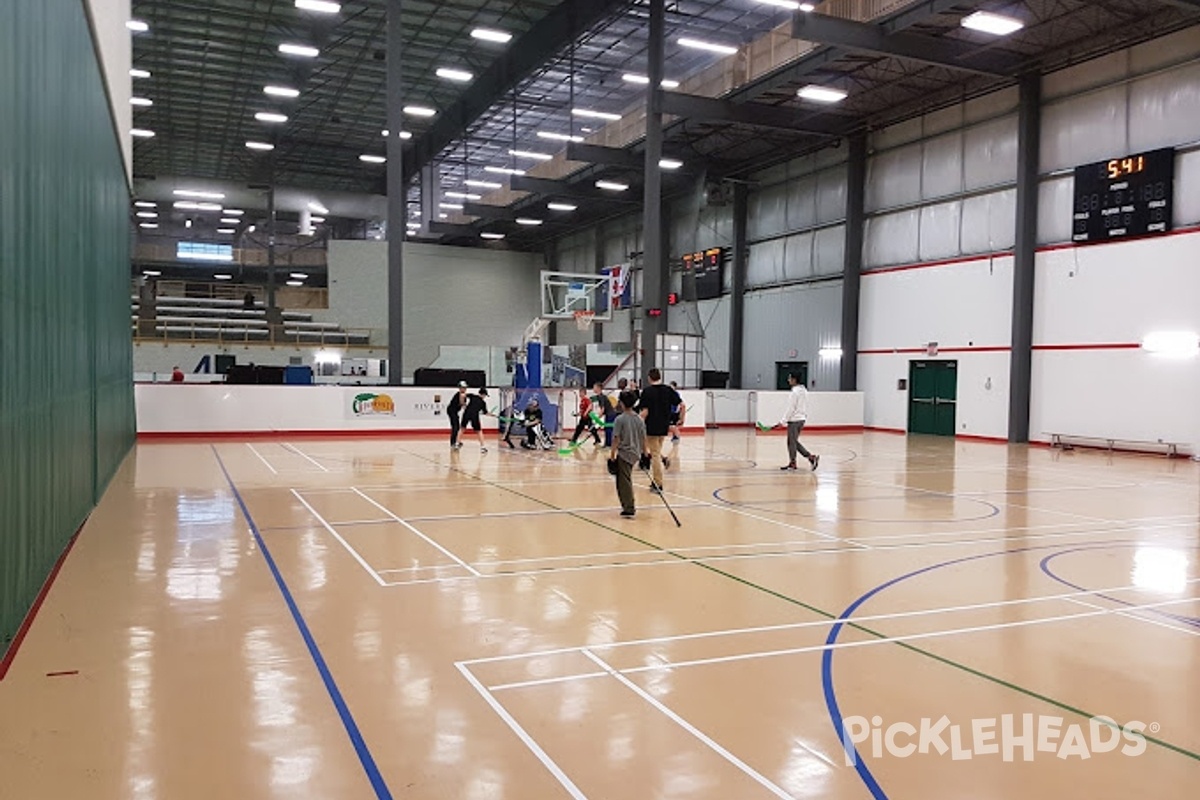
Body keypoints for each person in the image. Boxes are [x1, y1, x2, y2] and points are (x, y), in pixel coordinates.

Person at [636, 368, 684, 491]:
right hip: (664, 427)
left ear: (649, 378)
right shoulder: (668, 390)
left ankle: (658, 483)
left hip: (651, 427)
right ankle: (664, 461)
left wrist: (636, 422)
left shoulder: (647, 392)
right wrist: (681, 418)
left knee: (654, 454)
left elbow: (645, 412)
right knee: (655, 450)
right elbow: (682, 405)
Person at [609, 390, 649, 518]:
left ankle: (629, 507)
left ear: (622, 403)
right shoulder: (639, 419)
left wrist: (612, 454)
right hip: (636, 453)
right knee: (624, 479)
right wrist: (645, 454)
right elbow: (643, 438)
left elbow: (616, 438)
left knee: (623, 481)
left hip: (625, 453)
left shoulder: (619, 419)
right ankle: (627, 505)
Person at [779, 373, 819, 471]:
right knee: (793, 442)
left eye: (789, 378)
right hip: (801, 419)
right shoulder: (804, 391)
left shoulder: (794, 392)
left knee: (791, 442)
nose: (788, 380)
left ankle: (798, 461)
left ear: (794, 379)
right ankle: (809, 458)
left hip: (794, 420)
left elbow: (791, 408)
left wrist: (783, 421)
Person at [459, 387, 493, 453]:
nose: (485, 397)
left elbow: (462, 395)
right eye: (485, 395)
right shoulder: (483, 403)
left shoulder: (473, 396)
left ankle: (457, 444)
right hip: (474, 416)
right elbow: (485, 412)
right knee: (479, 431)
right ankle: (483, 447)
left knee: (462, 429)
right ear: (483, 394)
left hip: (466, 413)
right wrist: (490, 414)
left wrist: (463, 404)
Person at [446, 381, 468, 449]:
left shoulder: (464, 395)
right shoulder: (459, 395)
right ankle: (453, 443)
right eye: (462, 388)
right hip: (451, 411)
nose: (464, 389)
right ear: (459, 388)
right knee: (455, 427)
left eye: (465, 388)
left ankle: (456, 441)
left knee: (457, 427)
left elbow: (464, 405)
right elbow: (462, 403)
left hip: (455, 412)